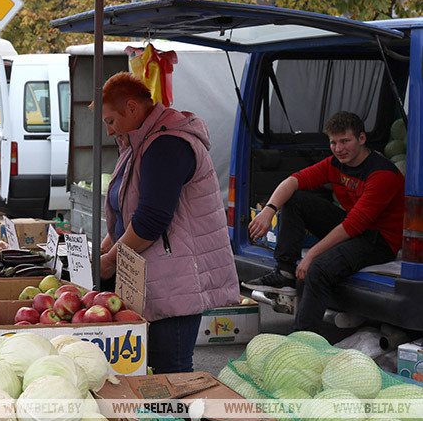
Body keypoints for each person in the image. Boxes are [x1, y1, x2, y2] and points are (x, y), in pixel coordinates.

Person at [97, 73, 238, 374]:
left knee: (171, 370)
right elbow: (129, 210)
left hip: (175, 281)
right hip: (152, 277)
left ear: (133, 109)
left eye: (110, 121)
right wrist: (107, 245)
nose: (109, 131)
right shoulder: (139, 142)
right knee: (152, 371)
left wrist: (110, 261)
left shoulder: (167, 145)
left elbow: (150, 221)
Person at [244, 112, 404, 333]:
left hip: (379, 240)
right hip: (353, 226)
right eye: (333, 142)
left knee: (317, 269)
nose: (339, 148)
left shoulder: (382, 174)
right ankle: (285, 274)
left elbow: (353, 225)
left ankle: (300, 339)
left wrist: (311, 255)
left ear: (362, 139)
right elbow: (293, 180)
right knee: (295, 198)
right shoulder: (334, 164)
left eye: (345, 141)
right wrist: (269, 210)